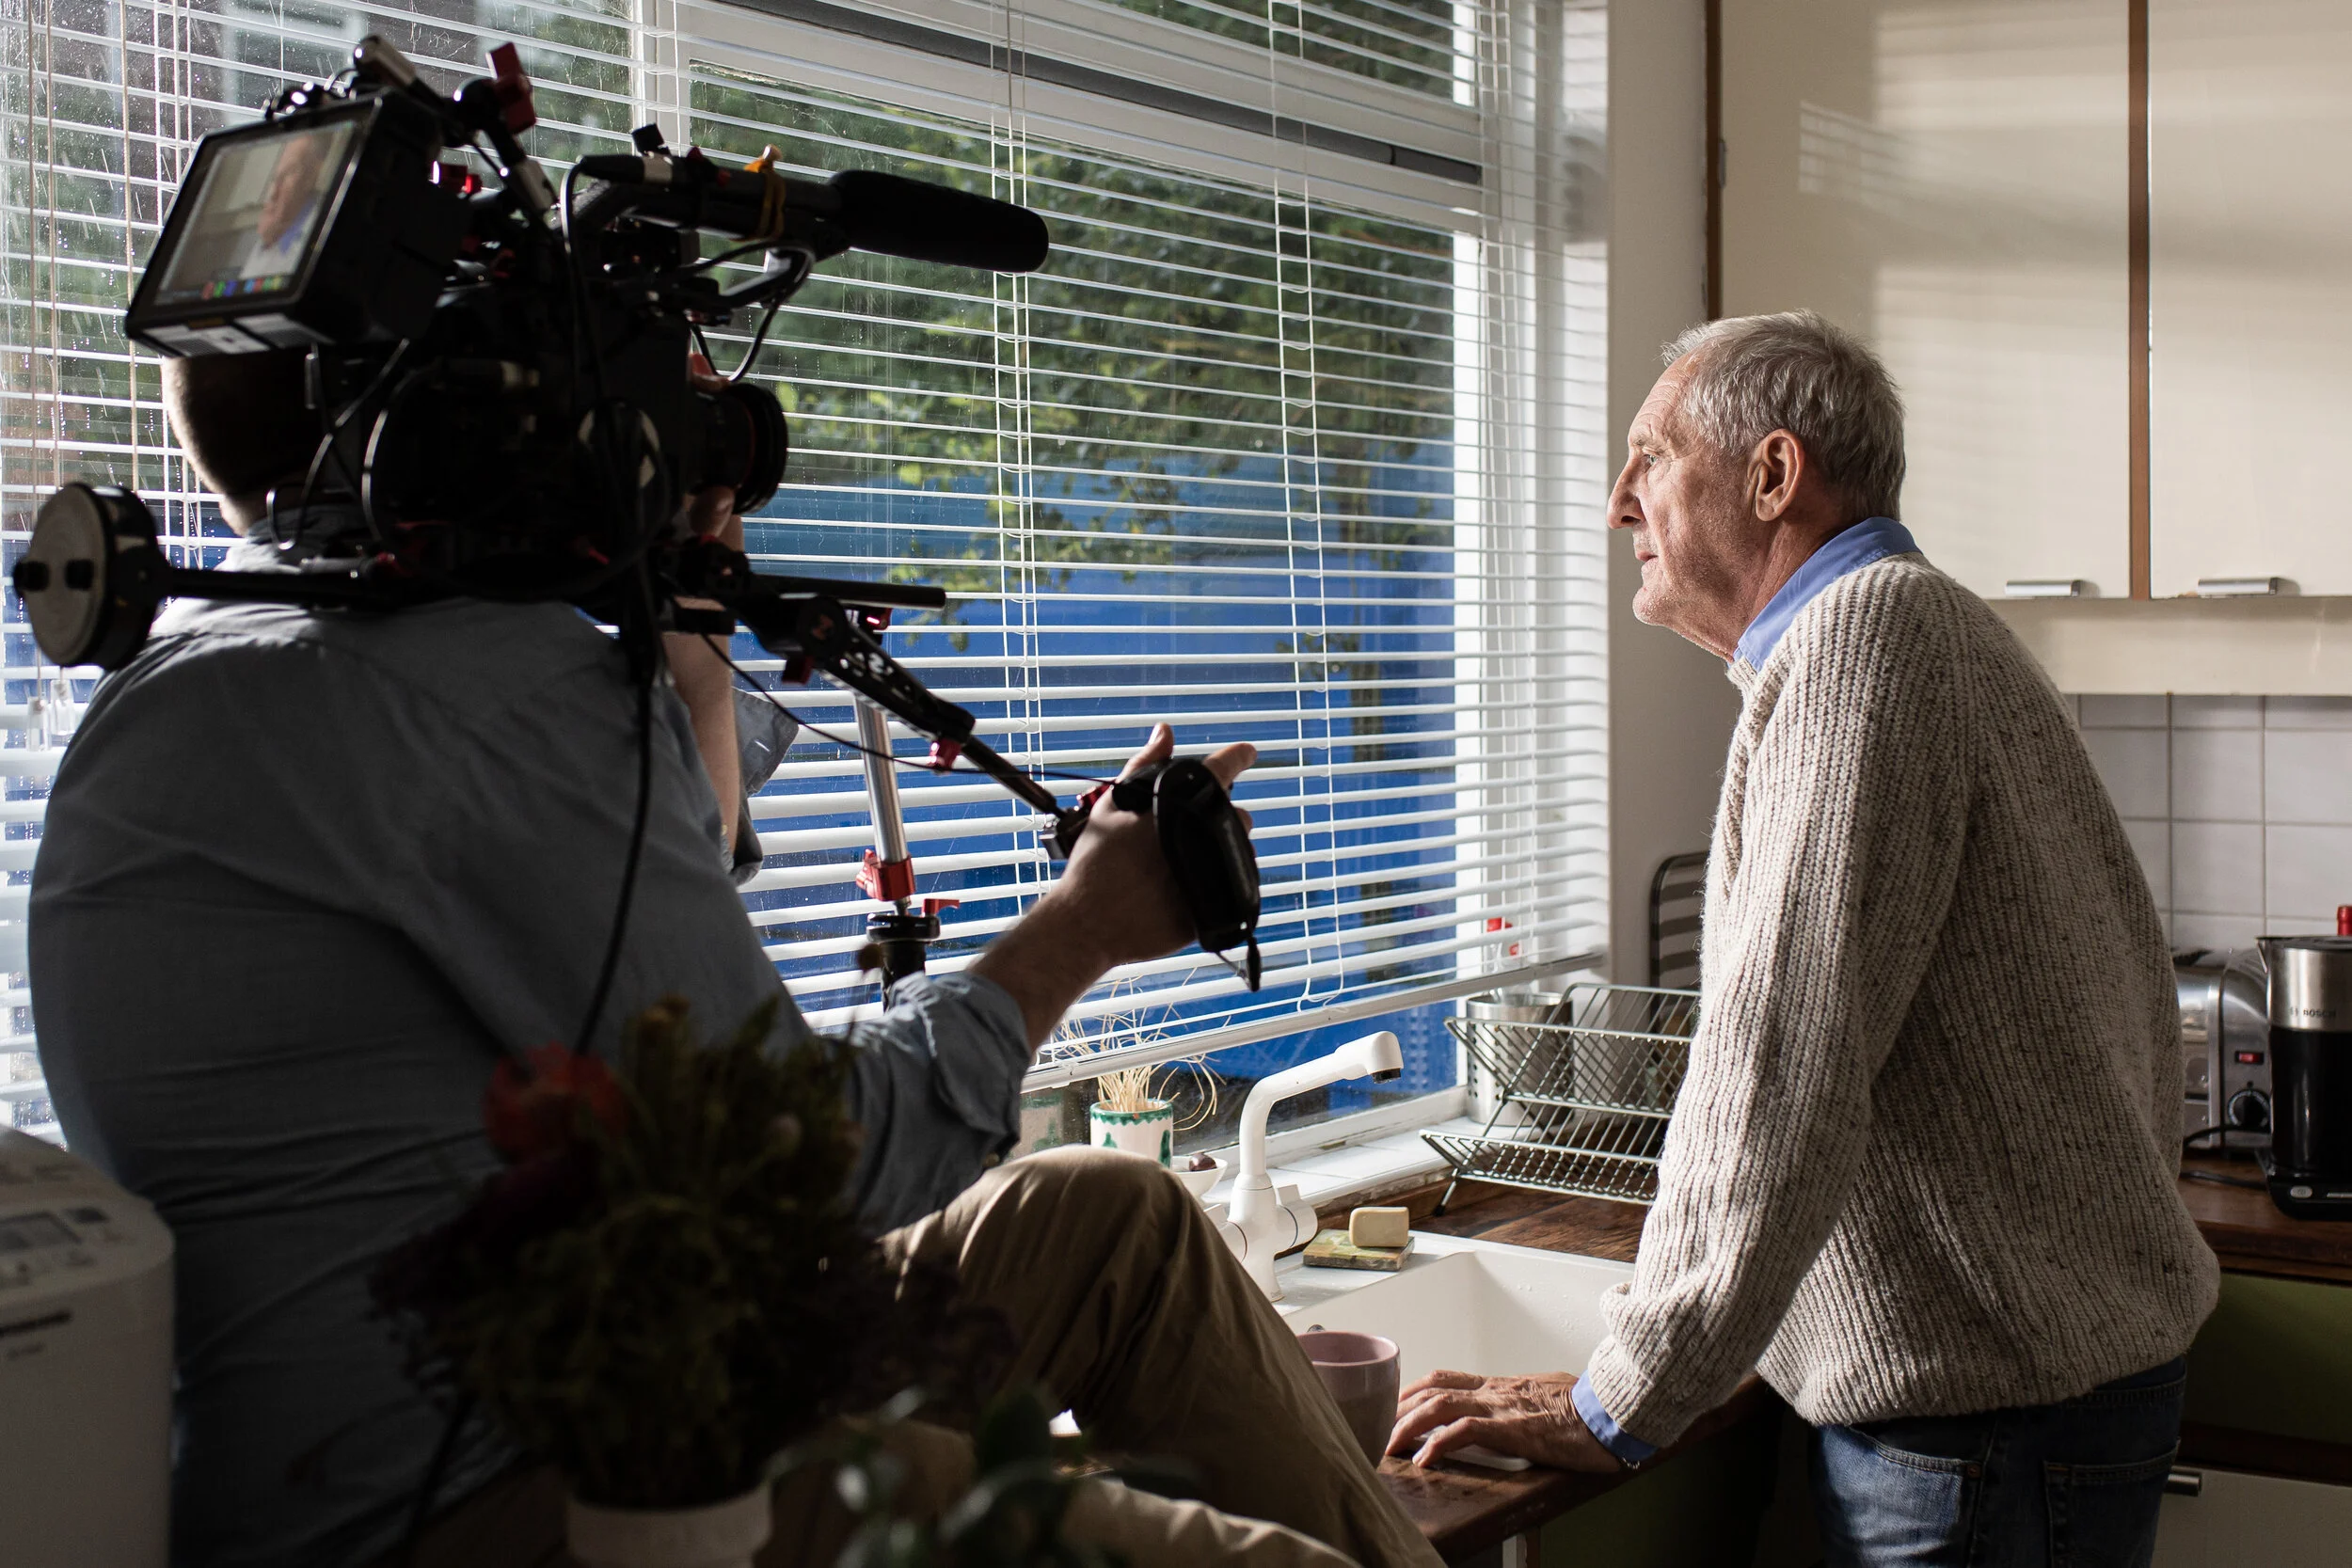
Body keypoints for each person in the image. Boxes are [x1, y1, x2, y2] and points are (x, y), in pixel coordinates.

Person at [30, 349, 1440, 1568]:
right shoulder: (448, 684)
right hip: (506, 1500)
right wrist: (1084, 929)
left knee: (1109, 1225)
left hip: (558, 1401)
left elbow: (641, 915)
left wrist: (692, 662)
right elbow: (799, 1160)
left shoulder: (206, 669)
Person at [1387, 312, 2217, 1566]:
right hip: (2027, 1403)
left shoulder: (1863, 638)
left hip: (1985, 1429)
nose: (1619, 501)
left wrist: (1620, 1396)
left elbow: (1778, 1064)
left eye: (1651, 455)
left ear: (1774, 476)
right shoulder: (1925, 629)